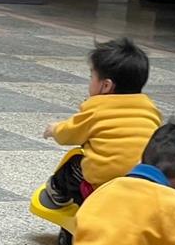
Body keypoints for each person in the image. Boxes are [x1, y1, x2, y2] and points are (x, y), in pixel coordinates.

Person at [42, 38, 161, 207]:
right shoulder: (150, 110)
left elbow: (68, 134)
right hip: (142, 188)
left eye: (92, 77)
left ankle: (58, 192)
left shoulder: (97, 109)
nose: (90, 81)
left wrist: (54, 129)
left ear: (106, 86)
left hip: (101, 190)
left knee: (74, 162)